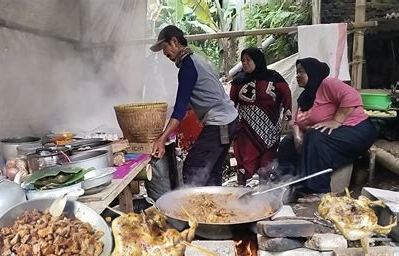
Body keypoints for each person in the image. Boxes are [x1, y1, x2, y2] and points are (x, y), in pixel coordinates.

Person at [150, 25, 238, 186]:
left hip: (220, 122)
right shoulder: (197, 60)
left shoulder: (187, 67)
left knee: (193, 167)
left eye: (165, 47)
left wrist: (162, 139)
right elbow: (193, 100)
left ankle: (194, 207)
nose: (164, 53)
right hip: (229, 120)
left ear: (175, 42)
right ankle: (215, 206)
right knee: (212, 171)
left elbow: (181, 108)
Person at [276, 57, 376, 193]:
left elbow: (353, 97)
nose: (297, 75)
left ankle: (317, 190)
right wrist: (297, 136)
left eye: (301, 72)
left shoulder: (328, 84)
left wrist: (336, 121)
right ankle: (285, 182)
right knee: (287, 142)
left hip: (357, 130)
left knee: (314, 137)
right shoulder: (304, 97)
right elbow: (295, 120)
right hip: (329, 135)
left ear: (313, 72)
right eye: (297, 72)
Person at [230, 48, 292, 186]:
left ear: (257, 60)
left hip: (270, 126)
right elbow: (231, 104)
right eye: (243, 60)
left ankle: (264, 191)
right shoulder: (238, 82)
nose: (245, 63)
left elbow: (287, 95)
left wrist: (287, 116)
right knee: (244, 156)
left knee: (267, 158)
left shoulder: (274, 77)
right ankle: (242, 188)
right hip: (246, 128)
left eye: (248, 60)